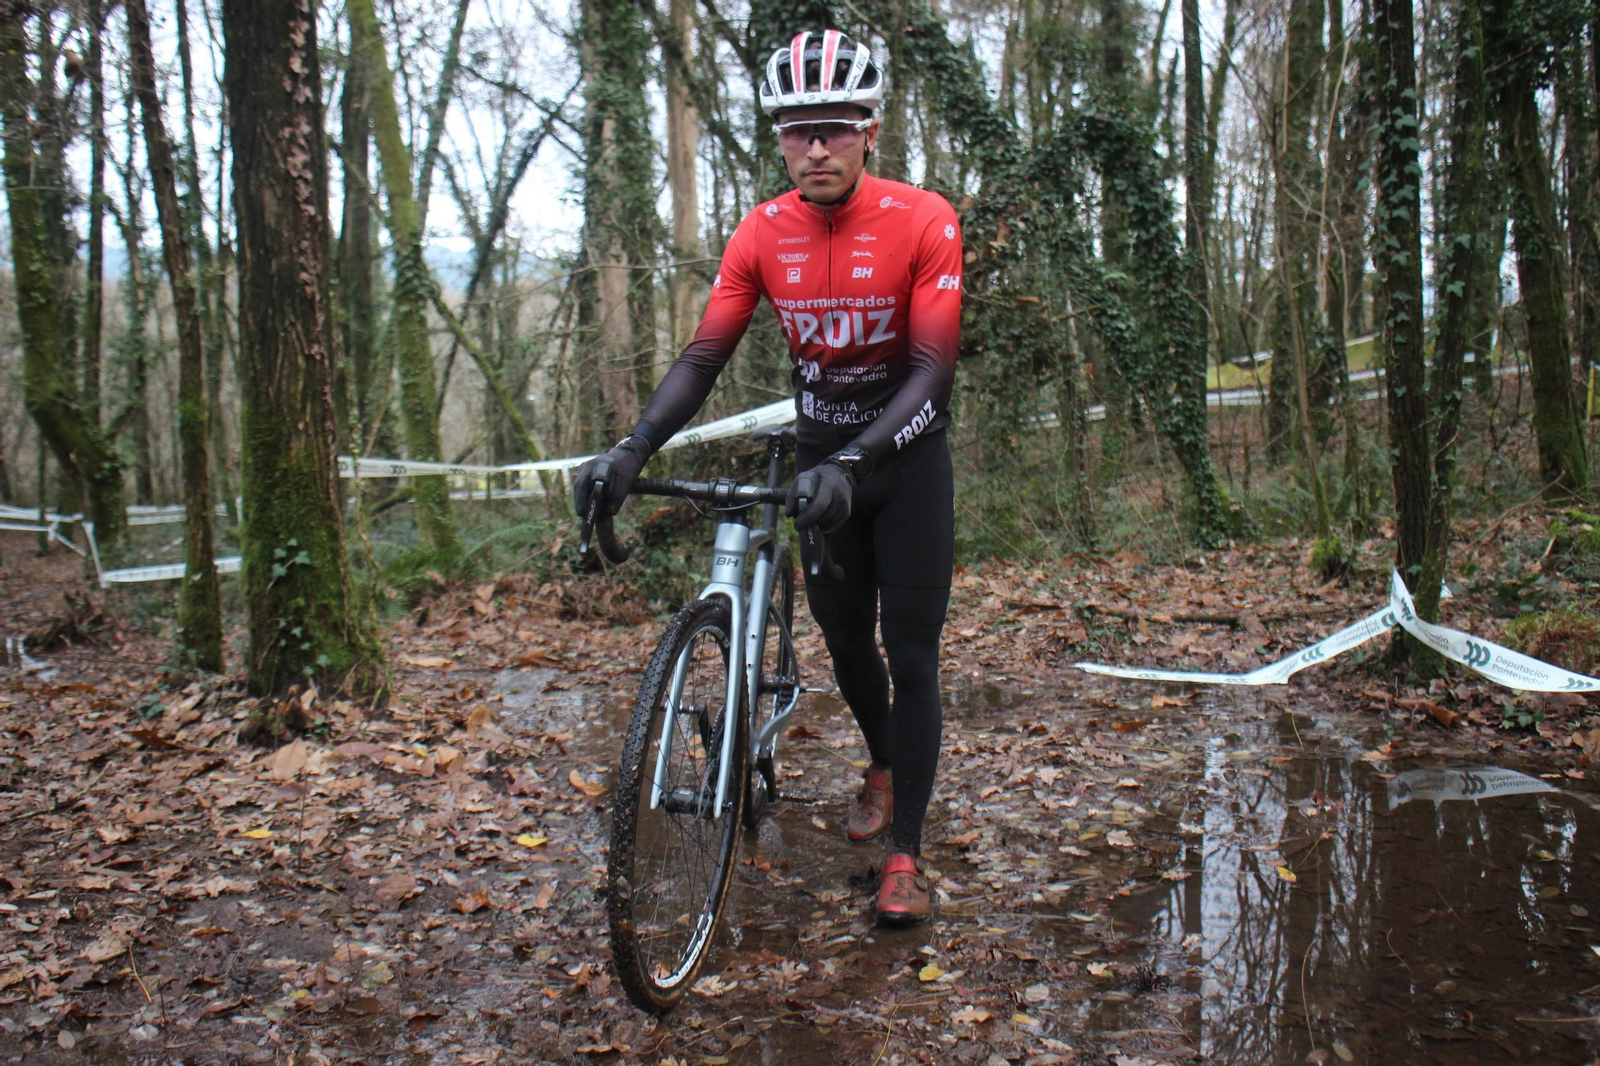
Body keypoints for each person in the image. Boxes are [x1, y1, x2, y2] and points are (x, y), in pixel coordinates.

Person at [574, 28, 962, 926]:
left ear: (868, 128)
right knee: (844, 640)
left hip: (904, 464)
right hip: (824, 457)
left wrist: (861, 462)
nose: (815, 146)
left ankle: (906, 848)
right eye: (796, 129)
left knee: (911, 652)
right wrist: (633, 449)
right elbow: (703, 356)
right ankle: (882, 761)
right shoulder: (764, 231)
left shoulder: (924, 218)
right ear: (778, 137)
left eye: (832, 126)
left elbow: (932, 372)